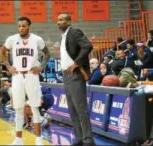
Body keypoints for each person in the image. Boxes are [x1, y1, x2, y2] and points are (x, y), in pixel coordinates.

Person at [1, 16, 50, 145]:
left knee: (34, 107)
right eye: (19, 26)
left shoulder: (37, 39)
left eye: (23, 26)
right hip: (17, 75)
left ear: (29, 27)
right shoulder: (12, 39)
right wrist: (8, 66)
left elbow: (47, 53)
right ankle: (18, 139)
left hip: (31, 75)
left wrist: (41, 67)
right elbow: (2, 52)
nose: (21, 28)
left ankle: (38, 139)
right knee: (18, 108)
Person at [57, 13, 95, 146]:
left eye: (61, 20)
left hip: (76, 74)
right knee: (72, 109)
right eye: (58, 20)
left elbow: (87, 46)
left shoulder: (74, 32)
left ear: (69, 21)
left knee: (81, 109)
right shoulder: (63, 36)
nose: (58, 22)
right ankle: (79, 138)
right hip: (66, 75)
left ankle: (88, 140)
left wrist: (77, 63)